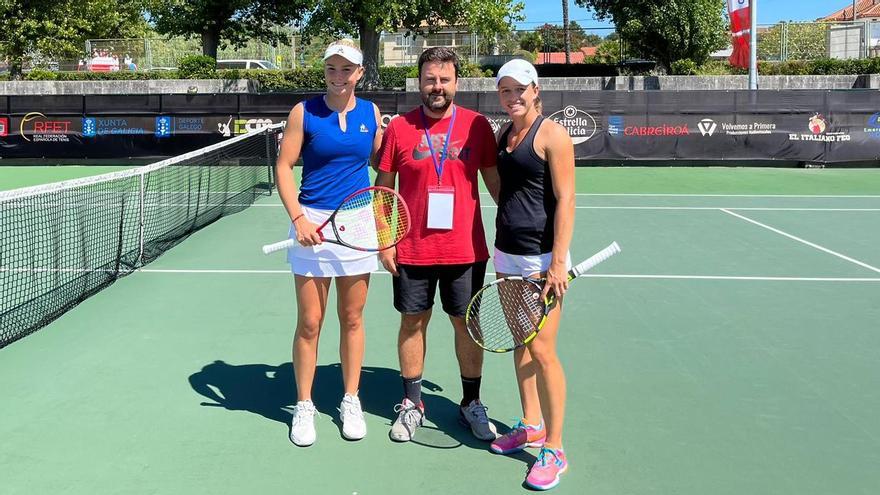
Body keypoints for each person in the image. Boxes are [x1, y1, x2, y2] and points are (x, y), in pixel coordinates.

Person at [375, 46, 501, 443]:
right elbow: (383, 191)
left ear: (456, 83)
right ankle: (412, 403)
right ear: (419, 81)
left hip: (465, 250)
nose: (437, 86)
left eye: (444, 79)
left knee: (467, 324)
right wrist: (385, 240)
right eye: (430, 78)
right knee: (412, 322)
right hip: (411, 249)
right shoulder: (398, 129)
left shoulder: (477, 126)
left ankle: (471, 403)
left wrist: (529, 229)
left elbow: (497, 185)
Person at [274, 39, 383, 447]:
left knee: (352, 318)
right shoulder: (304, 112)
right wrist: (298, 218)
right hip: (312, 222)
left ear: (359, 73)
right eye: (332, 69)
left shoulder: (371, 113)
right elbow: (283, 166)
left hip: (357, 223)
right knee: (310, 322)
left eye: (347, 69)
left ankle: (350, 399)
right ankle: (304, 404)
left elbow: (379, 163)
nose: (339, 77)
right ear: (325, 71)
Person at [487, 59, 575, 491]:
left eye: (520, 89)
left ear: (535, 90)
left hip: (542, 261)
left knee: (543, 350)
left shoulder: (552, 135)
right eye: (505, 90)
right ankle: (531, 423)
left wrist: (558, 261)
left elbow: (567, 199)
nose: (513, 96)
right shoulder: (505, 135)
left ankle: (555, 448)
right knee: (521, 345)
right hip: (506, 255)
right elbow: (504, 190)